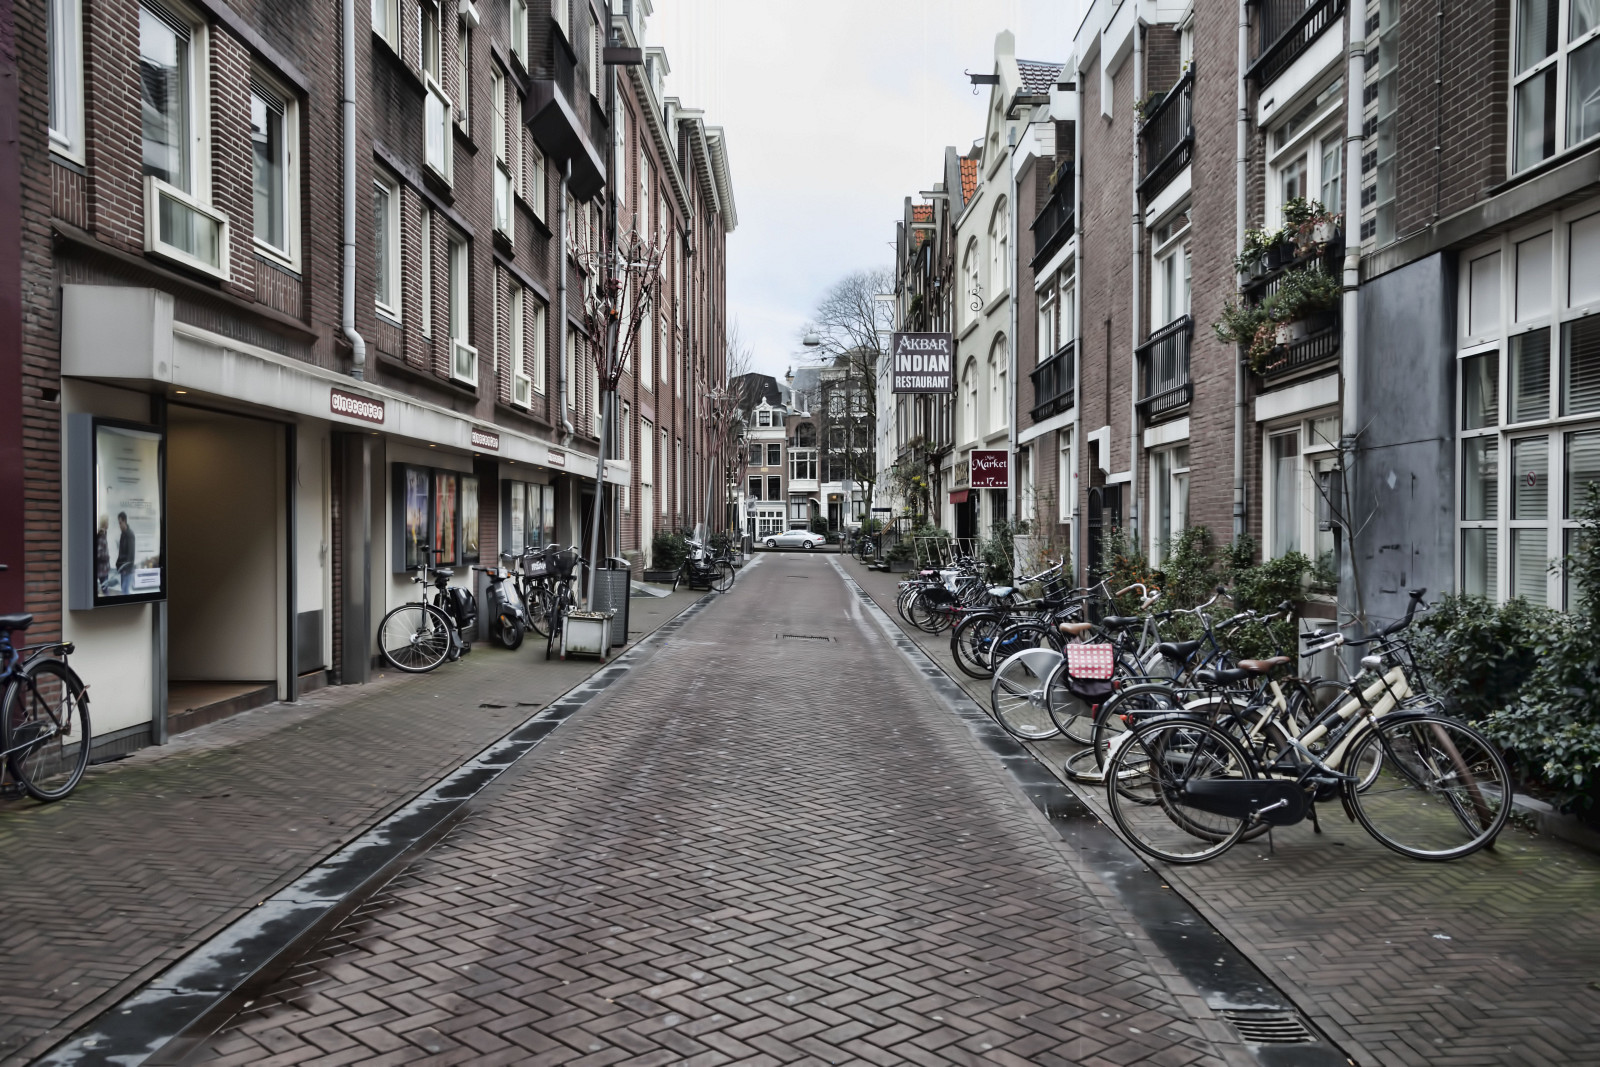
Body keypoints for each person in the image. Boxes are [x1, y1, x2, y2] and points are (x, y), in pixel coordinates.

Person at [115, 512, 135, 594]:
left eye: (120, 523)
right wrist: (118, 564)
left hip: (127, 570)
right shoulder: (123, 535)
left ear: (125, 521)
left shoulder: (130, 535)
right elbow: (121, 553)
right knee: (124, 591)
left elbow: (130, 555)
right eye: (119, 523)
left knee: (125, 591)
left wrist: (125, 569)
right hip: (123, 569)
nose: (119, 525)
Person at [94, 515, 111, 593]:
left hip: (103, 570)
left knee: (105, 590)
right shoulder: (101, 536)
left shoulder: (103, 534)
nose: (108, 523)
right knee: (106, 591)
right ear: (104, 523)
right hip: (103, 570)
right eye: (107, 521)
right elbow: (99, 554)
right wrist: (107, 557)